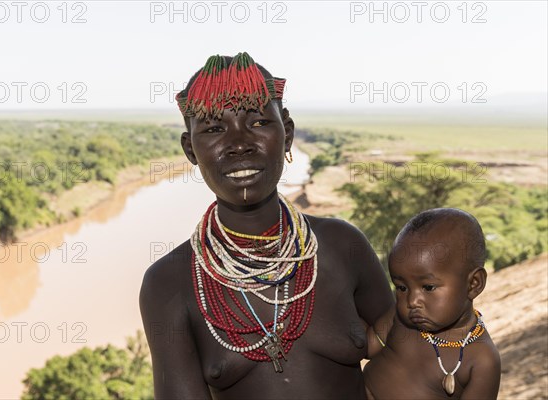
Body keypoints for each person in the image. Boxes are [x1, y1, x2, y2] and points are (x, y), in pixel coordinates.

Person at [140, 52, 393, 399]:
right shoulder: (169, 283)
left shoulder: (342, 246)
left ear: (287, 134)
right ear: (190, 150)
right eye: (214, 129)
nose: (239, 144)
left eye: (258, 122)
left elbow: (410, 357)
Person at [364, 208, 501, 399]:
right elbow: (366, 345)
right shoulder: (400, 318)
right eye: (401, 288)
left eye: (428, 287)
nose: (412, 301)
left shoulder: (482, 360)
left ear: (473, 284)